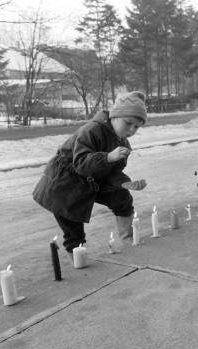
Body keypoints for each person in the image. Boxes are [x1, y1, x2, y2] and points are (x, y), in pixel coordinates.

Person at [33, 91, 148, 254]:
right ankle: (77, 254)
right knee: (71, 219)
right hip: (65, 182)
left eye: (136, 127)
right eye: (128, 122)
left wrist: (125, 182)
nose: (131, 129)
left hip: (92, 180)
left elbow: (114, 172)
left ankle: (128, 238)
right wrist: (108, 157)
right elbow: (81, 163)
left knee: (122, 198)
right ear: (114, 116)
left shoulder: (124, 144)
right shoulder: (92, 130)